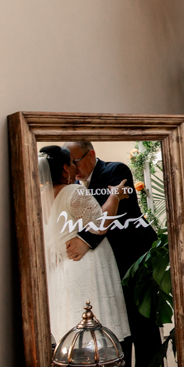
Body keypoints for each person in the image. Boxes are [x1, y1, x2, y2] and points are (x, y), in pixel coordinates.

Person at [62, 141, 164, 367]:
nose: (74, 168)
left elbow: (110, 213)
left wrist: (85, 241)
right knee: (120, 331)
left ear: (91, 154)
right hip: (110, 269)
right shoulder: (78, 186)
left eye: (76, 161)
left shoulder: (115, 170)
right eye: (70, 163)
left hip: (136, 262)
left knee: (144, 329)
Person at [39, 145, 131, 344]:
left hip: (62, 270)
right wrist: (114, 196)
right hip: (85, 267)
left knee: (72, 337)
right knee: (96, 335)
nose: (74, 167)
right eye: (71, 163)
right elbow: (100, 223)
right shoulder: (73, 191)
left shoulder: (40, 197)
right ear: (65, 169)